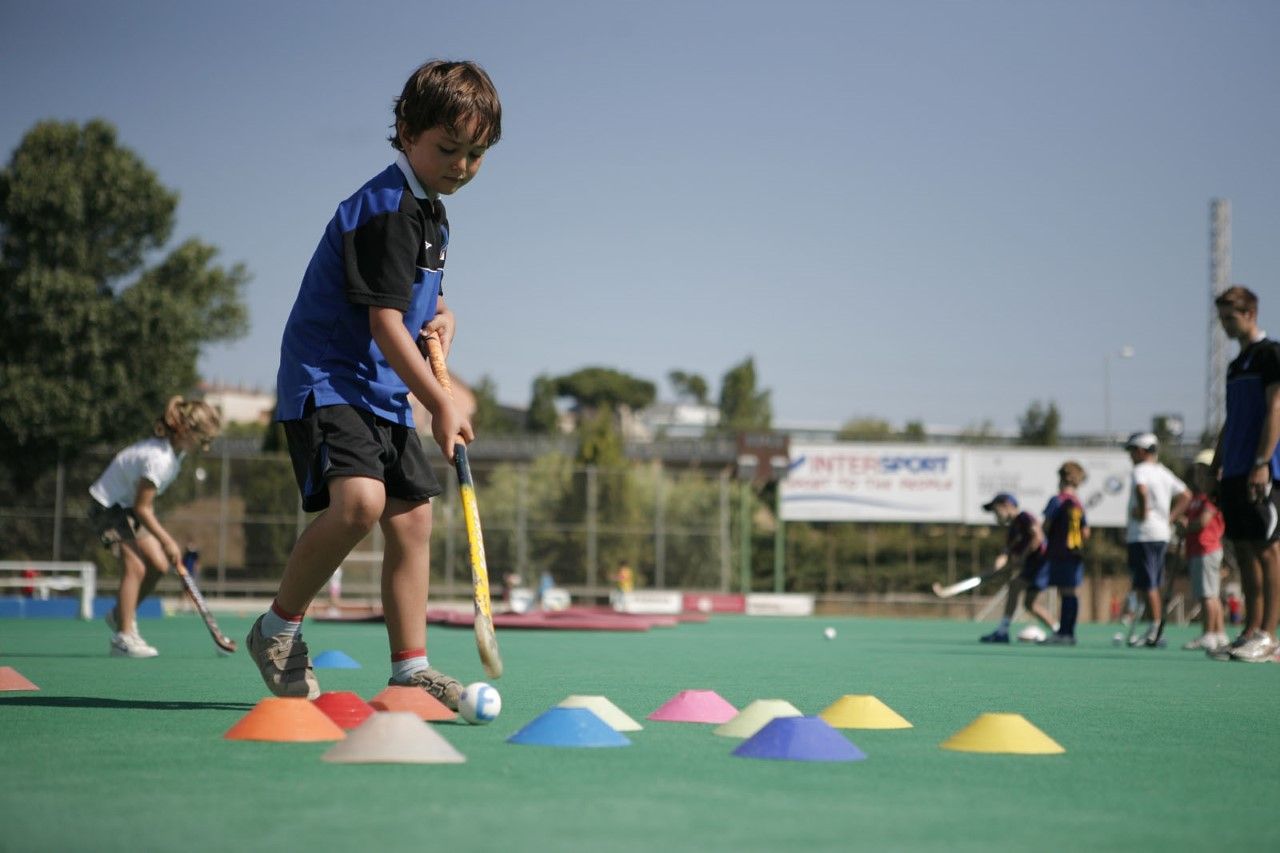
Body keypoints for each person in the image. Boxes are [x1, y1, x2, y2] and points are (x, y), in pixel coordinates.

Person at [247, 60, 502, 707]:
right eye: (448, 148)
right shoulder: (388, 210)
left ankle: (410, 667)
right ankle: (277, 627)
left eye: (475, 154)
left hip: (379, 390)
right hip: (329, 379)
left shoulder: (432, 217)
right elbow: (385, 321)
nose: (462, 165)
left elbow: (419, 308)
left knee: (412, 521)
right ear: (406, 131)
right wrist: (441, 399)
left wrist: (444, 317)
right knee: (359, 502)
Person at [89, 396, 222, 657]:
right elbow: (142, 507)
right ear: (185, 431)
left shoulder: (176, 453)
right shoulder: (159, 459)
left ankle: (120, 615)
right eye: (203, 440)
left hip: (126, 507)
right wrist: (167, 540)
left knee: (159, 565)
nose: (205, 447)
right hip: (107, 505)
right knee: (136, 566)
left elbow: (138, 508)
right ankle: (123, 637)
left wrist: (163, 543)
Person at [1209, 286, 1280, 663]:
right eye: (1221, 318)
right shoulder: (1237, 365)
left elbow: (1276, 407)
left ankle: (1270, 635)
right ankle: (1251, 631)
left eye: (1229, 318)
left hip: (1260, 468)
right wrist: (1218, 462)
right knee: (1245, 549)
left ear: (1250, 313)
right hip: (1234, 469)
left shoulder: (1272, 354)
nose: (1224, 325)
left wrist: (1262, 461)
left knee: (1268, 549)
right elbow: (1232, 419)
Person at [1121, 431, 1190, 648]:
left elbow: (1141, 491)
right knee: (1150, 582)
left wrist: (1142, 513)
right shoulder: (1163, 472)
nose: (1131, 456)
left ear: (1142, 451)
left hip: (1144, 535)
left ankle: (1154, 629)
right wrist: (1169, 518)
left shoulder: (1140, 470)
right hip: (1159, 534)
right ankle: (1153, 628)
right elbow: (1186, 495)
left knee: (1148, 582)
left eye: (1132, 451)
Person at [977, 492, 1055, 643]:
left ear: (1006, 505)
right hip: (1033, 564)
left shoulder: (1024, 517)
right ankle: (1058, 630)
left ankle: (1003, 631)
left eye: (995, 510)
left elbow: (1037, 537)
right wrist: (993, 571)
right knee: (1030, 604)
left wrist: (1022, 558)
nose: (995, 515)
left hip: (1041, 562)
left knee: (1014, 586)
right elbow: (1005, 555)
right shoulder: (1013, 529)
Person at [1180, 449, 1227, 651]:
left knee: (1208, 595)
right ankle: (1218, 634)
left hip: (1207, 548)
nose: (1199, 474)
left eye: (1204, 470)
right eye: (1198, 469)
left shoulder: (1210, 497)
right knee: (1210, 594)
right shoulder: (1197, 496)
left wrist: (1185, 526)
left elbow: (1203, 522)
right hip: (1198, 549)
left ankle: (1210, 634)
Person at [1038, 461, 1089, 645]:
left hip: (1060, 552)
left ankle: (1065, 633)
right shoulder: (1078, 503)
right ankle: (1067, 632)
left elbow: (1046, 525)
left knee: (1066, 592)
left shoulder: (1057, 500)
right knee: (1070, 591)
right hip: (1075, 553)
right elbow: (1085, 532)